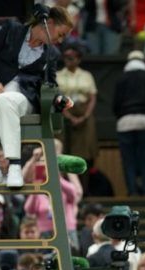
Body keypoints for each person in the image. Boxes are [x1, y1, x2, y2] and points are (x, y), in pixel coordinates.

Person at [0, 6, 73, 187]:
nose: (60, 40)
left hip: (23, 98)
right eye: (60, 34)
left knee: (5, 100)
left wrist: (60, 99)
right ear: (49, 23)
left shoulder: (51, 54)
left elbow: (51, 85)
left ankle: (14, 166)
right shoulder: (10, 30)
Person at [113, 50, 145, 195]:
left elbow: (115, 104)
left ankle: (132, 190)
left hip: (125, 123)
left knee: (128, 160)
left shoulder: (121, 79)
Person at [56, 43, 98, 190]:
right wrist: (68, 116)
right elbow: (57, 97)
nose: (69, 60)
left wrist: (85, 116)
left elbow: (92, 97)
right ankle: (65, 188)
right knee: (64, 149)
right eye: (66, 57)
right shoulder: (58, 75)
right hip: (64, 113)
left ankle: (84, 189)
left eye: (72, 57)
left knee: (84, 152)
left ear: (78, 59)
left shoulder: (86, 75)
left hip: (83, 113)